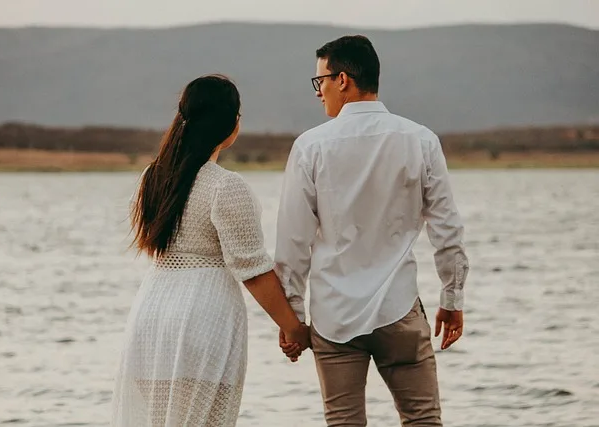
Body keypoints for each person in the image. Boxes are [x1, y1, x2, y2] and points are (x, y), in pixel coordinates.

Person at [274, 35, 470, 426]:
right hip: (398, 308)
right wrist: (452, 297)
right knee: (423, 420)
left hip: (334, 316)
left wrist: (291, 318)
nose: (319, 92)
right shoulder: (421, 140)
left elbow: (292, 242)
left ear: (343, 79)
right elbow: (447, 228)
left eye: (321, 81)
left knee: (343, 422)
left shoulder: (310, 147)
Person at [110, 74, 310, 427]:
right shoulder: (225, 186)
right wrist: (293, 328)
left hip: (151, 317)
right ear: (230, 125)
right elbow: (253, 269)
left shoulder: (150, 179)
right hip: (202, 318)